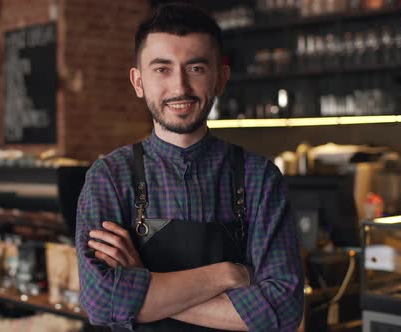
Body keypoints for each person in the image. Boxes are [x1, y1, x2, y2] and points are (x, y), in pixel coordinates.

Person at [75, 3, 304, 331]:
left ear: (221, 78)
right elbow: (101, 304)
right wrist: (227, 275)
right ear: (138, 82)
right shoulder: (110, 177)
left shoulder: (259, 177)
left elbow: (283, 311)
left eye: (195, 68)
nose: (180, 87)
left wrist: (146, 287)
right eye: (162, 69)